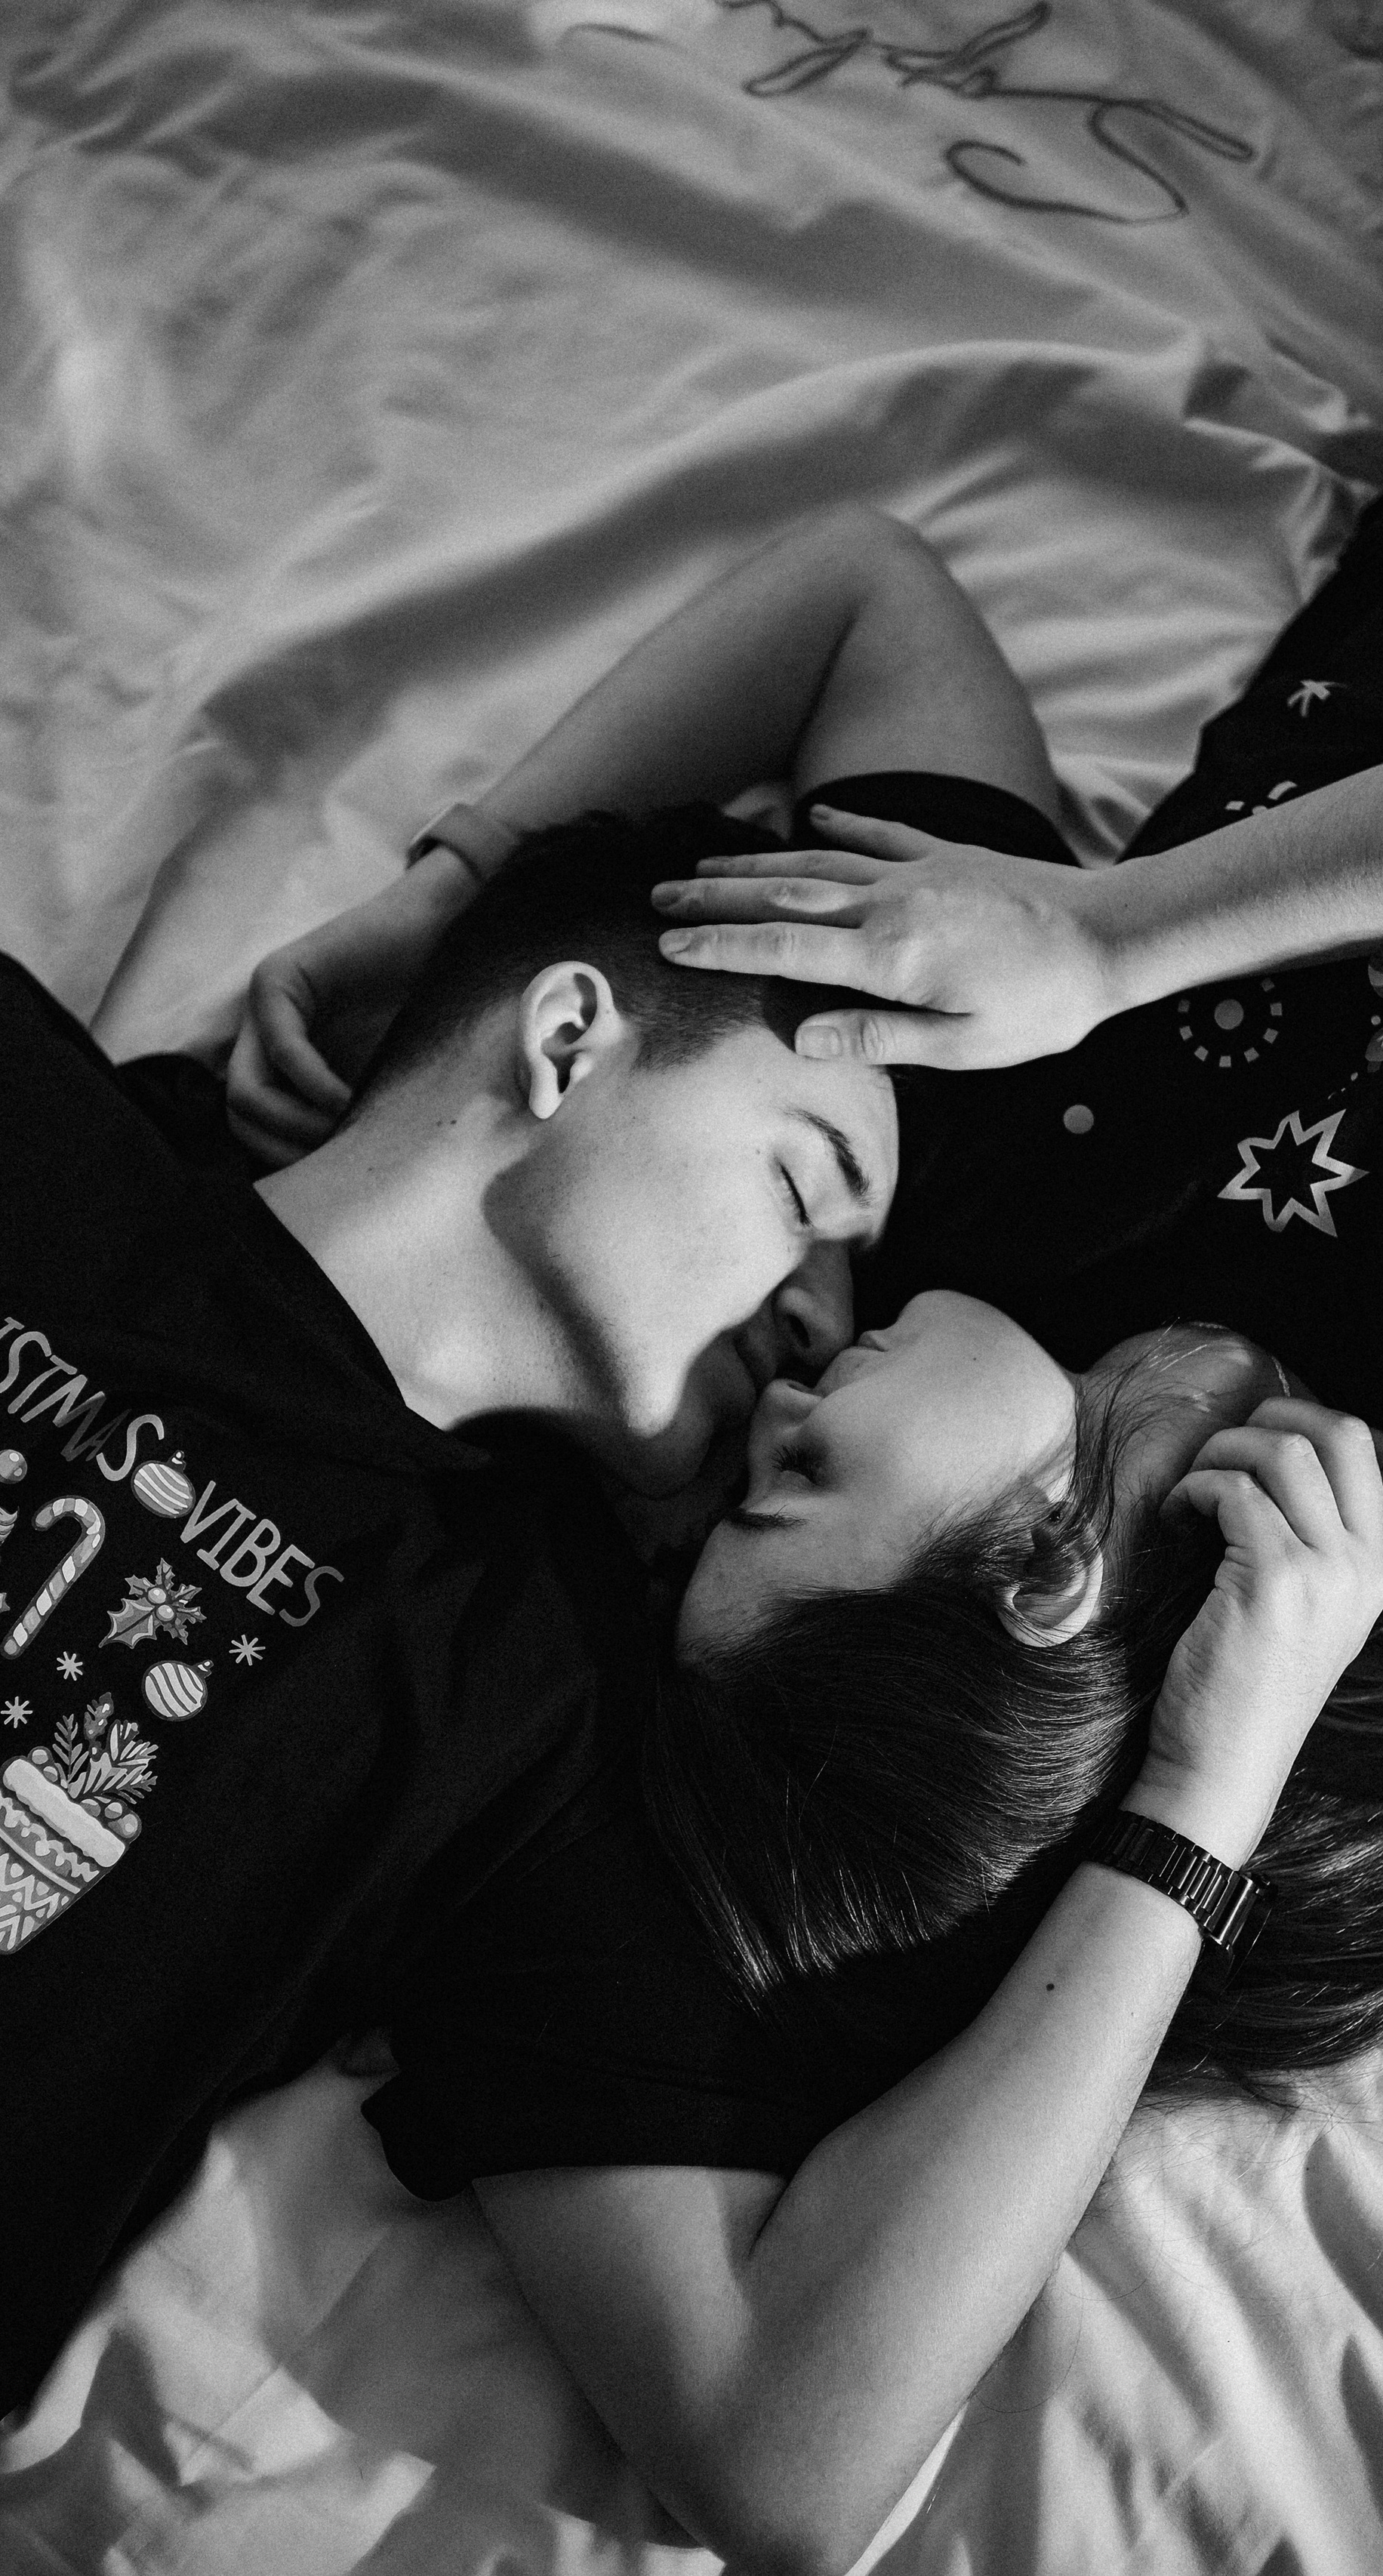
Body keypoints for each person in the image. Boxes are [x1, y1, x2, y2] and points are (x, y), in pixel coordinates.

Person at [217, 445, 1383, 2567]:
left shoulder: (947, 1168)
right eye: (789, 1480)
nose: (779, 1381)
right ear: (1049, 1568)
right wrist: (1205, 1793)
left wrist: (456, 891)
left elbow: (860, 588)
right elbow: (789, 2463)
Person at [0, 800, 898, 2417]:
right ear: (567, 1040)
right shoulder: (28, 1124)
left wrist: (1204, 1798)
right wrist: (452, 879)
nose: (826, 1320)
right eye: (804, 1184)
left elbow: (778, 2445)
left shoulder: (534, 1692)